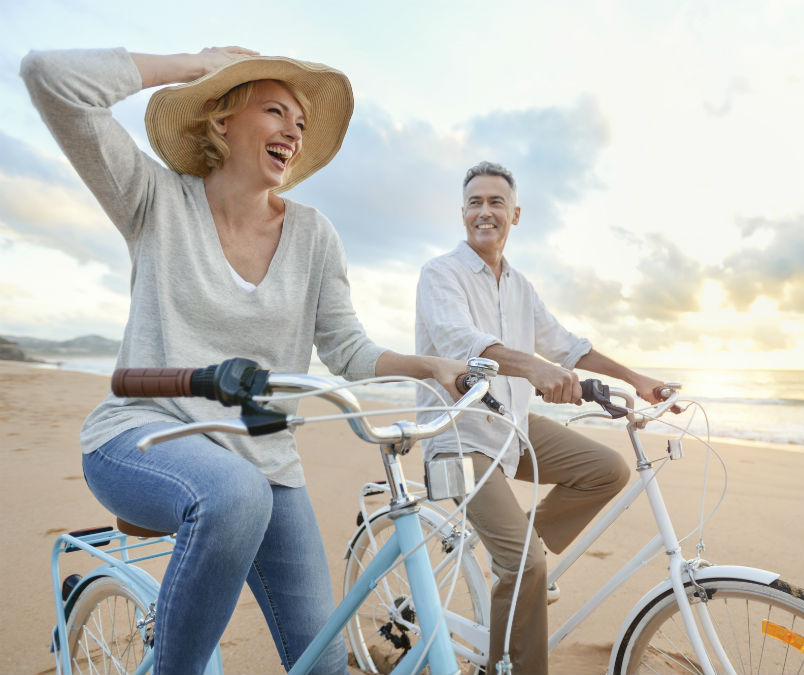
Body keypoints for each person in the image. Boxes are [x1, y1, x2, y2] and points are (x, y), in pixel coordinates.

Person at [21, 47, 464, 674]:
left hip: (266, 462)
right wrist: (189, 64)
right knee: (234, 494)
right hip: (141, 436)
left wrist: (429, 366)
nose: (293, 130)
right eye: (275, 111)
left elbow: (346, 347)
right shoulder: (154, 200)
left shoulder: (314, 235)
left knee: (324, 662)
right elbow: (52, 79)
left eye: (301, 123)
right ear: (221, 121)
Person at [415, 161, 669, 674]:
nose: (484, 212)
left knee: (607, 470)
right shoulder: (440, 273)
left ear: (515, 214)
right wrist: (534, 368)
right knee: (526, 564)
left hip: (510, 425)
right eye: (475, 202)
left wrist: (636, 379)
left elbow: (566, 346)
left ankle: (517, 552)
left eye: (495, 203)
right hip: (458, 435)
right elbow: (460, 344)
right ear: (463, 212)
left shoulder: (520, 285)